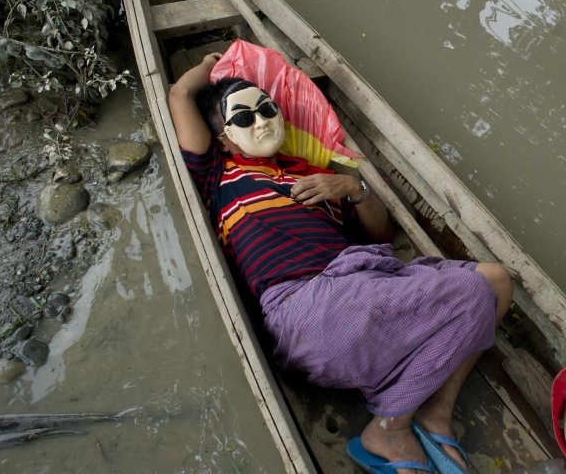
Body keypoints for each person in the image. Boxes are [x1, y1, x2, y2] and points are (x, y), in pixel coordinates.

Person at [169, 52, 512, 474]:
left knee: (497, 283)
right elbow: (181, 92)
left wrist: (353, 187)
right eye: (243, 118)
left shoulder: (312, 174)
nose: (260, 122)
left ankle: (431, 414)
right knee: (473, 291)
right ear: (223, 138)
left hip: (359, 286)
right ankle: (390, 425)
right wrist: (214, 64)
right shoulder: (219, 176)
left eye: (266, 108)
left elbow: (381, 235)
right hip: (306, 310)